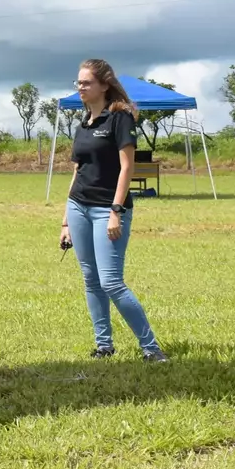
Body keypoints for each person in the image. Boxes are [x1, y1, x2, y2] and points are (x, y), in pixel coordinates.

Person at [59, 59, 167, 362]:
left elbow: (127, 167)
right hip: (78, 206)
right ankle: (103, 344)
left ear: (104, 85)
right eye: (78, 83)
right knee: (90, 279)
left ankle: (151, 348)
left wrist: (115, 210)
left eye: (86, 83)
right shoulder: (83, 122)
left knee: (111, 282)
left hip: (108, 209)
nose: (80, 87)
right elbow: (78, 171)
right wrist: (66, 220)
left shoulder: (119, 119)